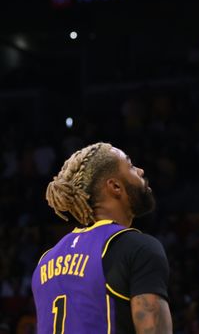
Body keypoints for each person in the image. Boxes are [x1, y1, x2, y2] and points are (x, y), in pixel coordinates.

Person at [32, 142, 172, 333]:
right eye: (131, 167)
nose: (140, 171)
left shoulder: (45, 262)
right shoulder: (137, 247)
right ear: (115, 186)